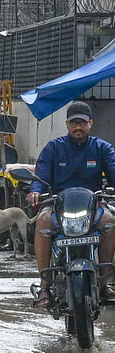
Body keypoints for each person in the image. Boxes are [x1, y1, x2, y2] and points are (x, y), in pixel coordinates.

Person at [28, 100, 115, 305]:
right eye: (74, 123)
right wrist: (35, 192)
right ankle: (44, 286)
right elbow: (40, 178)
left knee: (110, 222)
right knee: (42, 222)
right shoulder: (54, 148)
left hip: (93, 207)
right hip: (58, 205)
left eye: (82, 123)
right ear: (67, 124)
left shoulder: (102, 148)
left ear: (90, 124)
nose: (78, 127)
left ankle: (105, 283)